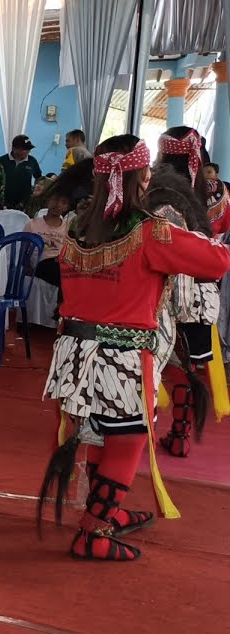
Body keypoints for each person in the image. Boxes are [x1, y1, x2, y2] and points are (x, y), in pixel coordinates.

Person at [41, 133, 230, 561]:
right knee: (127, 440)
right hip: (122, 359)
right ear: (143, 177)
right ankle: (94, 531)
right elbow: (216, 261)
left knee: (100, 435)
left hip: (73, 355)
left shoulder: (77, 228)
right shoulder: (151, 232)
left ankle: (105, 512)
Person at [152, 126, 230, 457]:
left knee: (151, 361)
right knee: (188, 366)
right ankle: (181, 434)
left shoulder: (156, 189)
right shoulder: (216, 192)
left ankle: (141, 432)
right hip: (202, 291)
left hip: (162, 289)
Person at [24, 189, 73, 286]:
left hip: (59, 263)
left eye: (63, 202)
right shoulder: (32, 224)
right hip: (40, 263)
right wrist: (27, 267)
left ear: (67, 207)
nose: (58, 204)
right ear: (48, 200)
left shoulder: (67, 227)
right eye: (55, 199)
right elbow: (23, 250)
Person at [0, 134, 43, 210]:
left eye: (29, 149)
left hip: (24, 204)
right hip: (3, 202)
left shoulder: (32, 161)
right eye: (25, 149)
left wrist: (36, 190)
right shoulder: (2, 161)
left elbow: (38, 177)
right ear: (14, 149)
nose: (27, 152)